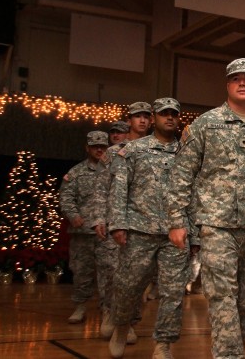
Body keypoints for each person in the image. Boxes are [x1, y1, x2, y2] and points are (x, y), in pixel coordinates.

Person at [168, 58, 245, 359]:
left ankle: (233, 350)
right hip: (216, 223)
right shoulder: (206, 124)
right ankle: (229, 356)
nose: (242, 82)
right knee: (222, 294)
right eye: (235, 78)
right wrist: (176, 219)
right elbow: (182, 172)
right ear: (227, 84)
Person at [107, 97, 191, 359]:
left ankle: (163, 344)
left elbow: (195, 194)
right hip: (138, 230)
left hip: (175, 234)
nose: (169, 118)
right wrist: (118, 224)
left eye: (173, 114)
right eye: (164, 113)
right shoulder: (132, 150)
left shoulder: (186, 154)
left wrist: (195, 233)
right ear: (153, 117)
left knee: (173, 292)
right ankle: (121, 326)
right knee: (127, 286)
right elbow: (119, 189)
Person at [91, 102, 153, 341]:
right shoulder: (113, 152)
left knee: (137, 277)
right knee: (111, 273)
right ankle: (109, 313)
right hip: (114, 219)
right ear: (129, 121)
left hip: (141, 223)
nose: (142, 121)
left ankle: (127, 322)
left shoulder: (155, 148)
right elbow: (100, 188)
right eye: (137, 117)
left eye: (147, 117)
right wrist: (99, 217)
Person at [59, 130, 109, 324]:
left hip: (107, 232)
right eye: (95, 146)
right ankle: (80, 307)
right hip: (83, 233)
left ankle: (107, 311)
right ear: (87, 148)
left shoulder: (114, 170)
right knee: (81, 272)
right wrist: (73, 215)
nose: (99, 150)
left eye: (102, 146)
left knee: (108, 275)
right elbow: (66, 197)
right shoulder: (76, 172)